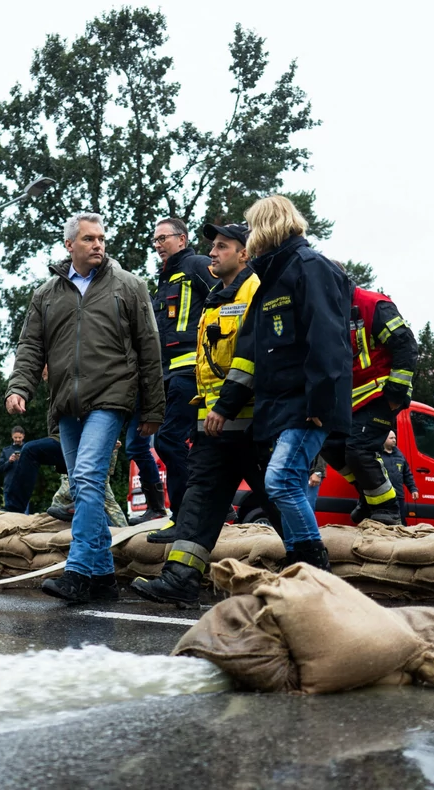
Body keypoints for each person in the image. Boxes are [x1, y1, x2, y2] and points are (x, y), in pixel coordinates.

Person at [6, 211, 164, 603]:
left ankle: (76, 572)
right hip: (66, 403)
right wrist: (19, 386)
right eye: (89, 239)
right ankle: (103, 576)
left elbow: (149, 347)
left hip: (111, 397)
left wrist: (152, 411)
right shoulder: (46, 295)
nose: (98, 245)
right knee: (80, 485)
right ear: (69, 245)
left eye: (101, 239)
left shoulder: (128, 286)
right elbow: (30, 347)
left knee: (90, 479)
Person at [130, 222, 282, 607]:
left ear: (244, 254)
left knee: (277, 500)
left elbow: (252, 356)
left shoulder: (255, 290)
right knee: (199, 500)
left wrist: (227, 404)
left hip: (252, 425)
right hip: (214, 426)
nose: (211, 254)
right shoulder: (216, 295)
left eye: (222, 247)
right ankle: (180, 578)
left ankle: (313, 573)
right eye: (212, 247)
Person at [214, 196, 352, 571]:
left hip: (308, 403)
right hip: (283, 403)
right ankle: (297, 559)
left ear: (269, 225)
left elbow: (327, 340)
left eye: (254, 227)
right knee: (284, 480)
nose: (250, 236)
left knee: (282, 479)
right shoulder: (272, 278)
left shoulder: (310, 268)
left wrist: (320, 404)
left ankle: (313, 562)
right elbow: (257, 351)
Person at [127, 218, 216, 531]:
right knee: (189, 445)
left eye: (163, 238)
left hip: (190, 369)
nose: (157, 245)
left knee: (167, 441)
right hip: (166, 374)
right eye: (154, 240)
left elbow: (229, 295)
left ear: (182, 239)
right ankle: (209, 509)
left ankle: (184, 515)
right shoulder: (165, 279)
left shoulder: (196, 265)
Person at [318, 282, 419, 527]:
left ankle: (387, 508)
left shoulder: (373, 305)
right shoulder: (327, 309)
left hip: (380, 394)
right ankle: (368, 495)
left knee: (358, 449)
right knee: (329, 444)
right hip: (349, 400)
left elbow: (405, 345)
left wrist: (395, 393)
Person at [47, 441, 129, 527]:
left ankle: (122, 531)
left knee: (104, 502)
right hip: (79, 464)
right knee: (60, 500)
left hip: (91, 466)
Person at [379, 430, 419, 524]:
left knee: (400, 522)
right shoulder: (378, 455)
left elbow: (407, 474)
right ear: (384, 439)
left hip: (398, 496)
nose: (394, 440)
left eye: (395, 438)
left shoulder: (400, 456)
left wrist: (413, 489)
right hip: (383, 496)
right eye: (391, 438)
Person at [0, 426, 27, 511]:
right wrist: (9, 461)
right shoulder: (6, 451)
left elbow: (34, 465)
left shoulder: (28, 449)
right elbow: (0, 468)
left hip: (24, 486)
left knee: (24, 515)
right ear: (12, 436)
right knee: (9, 514)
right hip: (9, 486)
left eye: (19, 437)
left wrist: (23, 460)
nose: (17, 439)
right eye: (15, 437)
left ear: (23, 436)